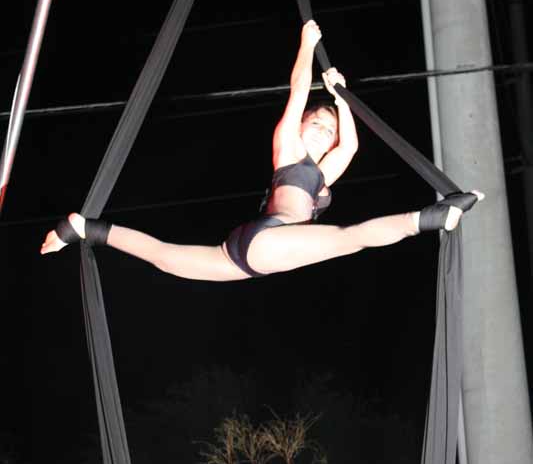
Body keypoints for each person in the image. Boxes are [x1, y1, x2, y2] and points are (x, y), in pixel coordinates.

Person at [40, 20, 483, 279]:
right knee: (348, 239)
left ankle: (83, 228)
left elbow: (350, 145)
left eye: (327, 131)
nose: (321, 132)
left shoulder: (321, 173)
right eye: (316, 123)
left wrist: (342, 100)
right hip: (268, 241)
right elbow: (297, 90)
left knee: (165, 257)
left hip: (244, 251)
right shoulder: (288, 150)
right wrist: (307, 46)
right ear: (301, 125)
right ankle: (430, 218)